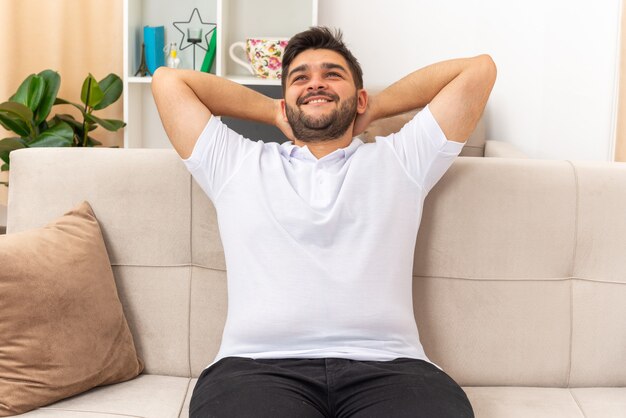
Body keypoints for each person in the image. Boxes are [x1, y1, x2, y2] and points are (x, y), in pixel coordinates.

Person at [152, 26, 496, 418]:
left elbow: (478, 71)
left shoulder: (401, 160)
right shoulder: (238, 163)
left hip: (391, 369)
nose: (316, 83)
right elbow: (168, 81)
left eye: (332, 75)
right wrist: (270, 110)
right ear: (286, 101)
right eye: (301, 78)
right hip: (255, 368)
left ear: (359, 97)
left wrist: (377, 107)